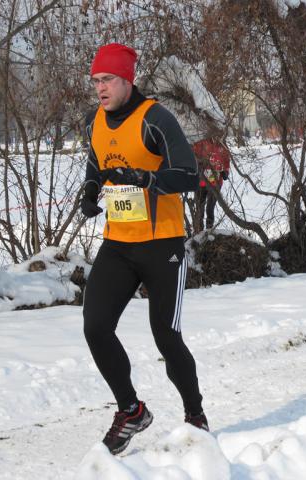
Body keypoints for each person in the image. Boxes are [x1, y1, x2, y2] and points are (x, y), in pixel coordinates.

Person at [80, 43, 208, 455]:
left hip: (162, 244)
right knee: (95, 327)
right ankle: (131, 410)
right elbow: (96, 162)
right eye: (96, 80)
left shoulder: (154, 118)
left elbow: (189, 174)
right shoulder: (93, 122)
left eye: (108, 80)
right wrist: (90, 189)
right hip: (118, 243)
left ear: (126, 80)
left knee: (166, 338)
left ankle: (195, 416)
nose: (100, 87)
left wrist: (148, 179)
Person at [192, 113, 231, 231]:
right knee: (200, 207)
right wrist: (198, 165)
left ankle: (209, 230)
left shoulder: (223, 147)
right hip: (201, 181)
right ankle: (198, 230)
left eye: (221, 132)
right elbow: (192, 154)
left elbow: (226, 161)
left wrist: (225, 172)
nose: (218, 135)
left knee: (210, 208)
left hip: (215, 183)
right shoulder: (202, 143)